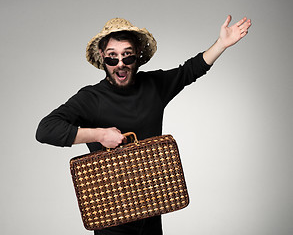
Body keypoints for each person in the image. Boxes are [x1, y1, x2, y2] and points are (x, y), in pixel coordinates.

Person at [36, 16, 251, 235]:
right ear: (102, 57)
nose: (120, 63)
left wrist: (221, 44)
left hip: (151, 211)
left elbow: (189, 70)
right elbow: (45, 130)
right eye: (112, 57)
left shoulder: (154, 86)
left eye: (127, 55)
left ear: (137, 54)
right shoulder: (90, 98)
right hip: (111, 219)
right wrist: (99, 135)